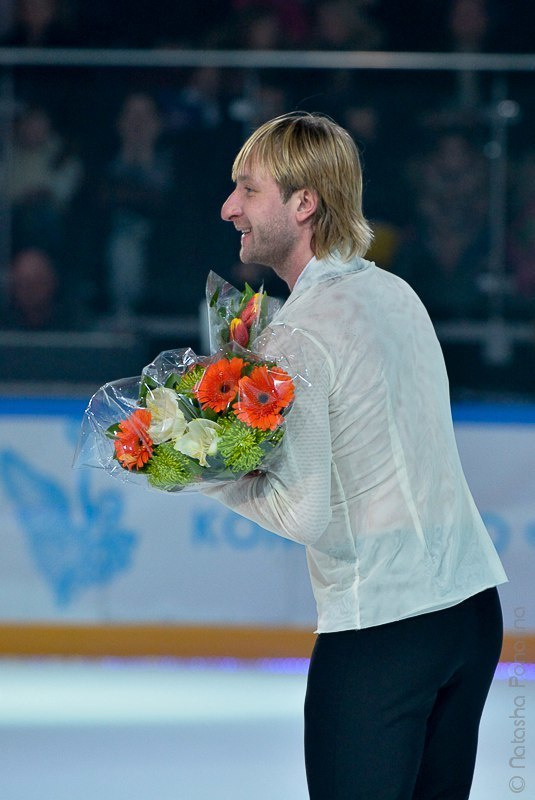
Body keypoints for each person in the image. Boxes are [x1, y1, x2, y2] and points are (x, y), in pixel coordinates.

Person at [202, 112, 507, 800]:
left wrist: (204, 473)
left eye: (247, 190)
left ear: (303, 203)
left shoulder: (298, 335)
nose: (229, 208)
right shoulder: (395, 293)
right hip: (468, 612)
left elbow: (307, 514)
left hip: (383, 630)